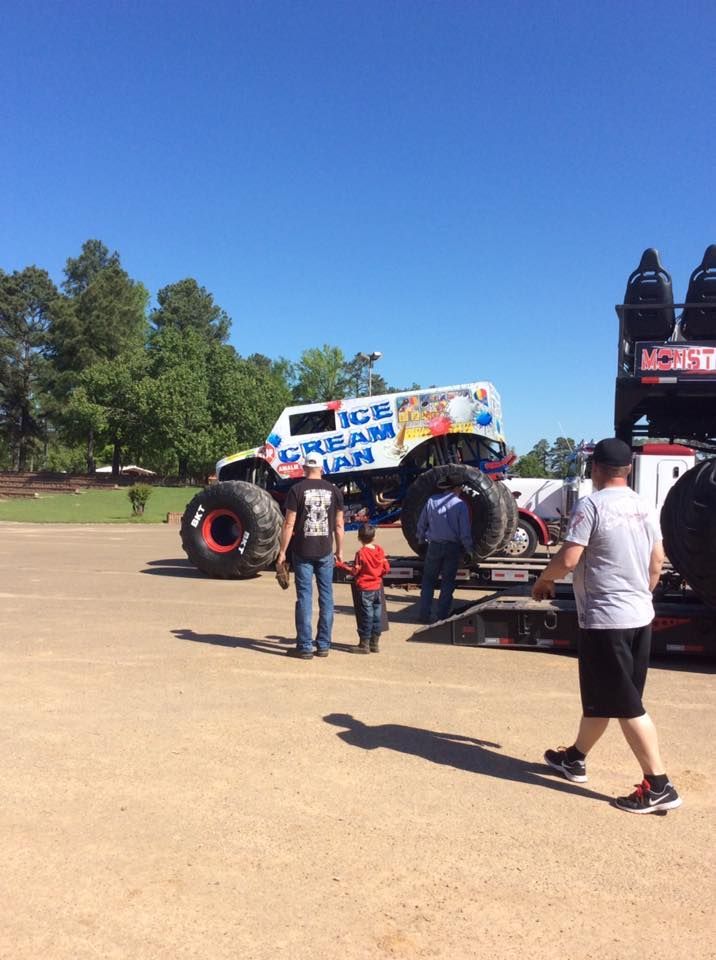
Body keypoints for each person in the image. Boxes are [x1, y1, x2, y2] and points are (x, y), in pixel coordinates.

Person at [532, 437, 682, 814]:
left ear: (596, 468)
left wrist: (544, 579)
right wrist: (641, 595)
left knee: (628, 705)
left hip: (605, 620)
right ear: (628, 469)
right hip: (639, 616)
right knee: (603, 697)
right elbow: (657, 560)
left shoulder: (591, 505)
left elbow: (569, 559)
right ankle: (575, 758)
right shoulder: (644, 505)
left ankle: (659, 785)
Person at [276, 453, 344, 659]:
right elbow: (339, 525)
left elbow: (289, 524)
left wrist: (282, 552)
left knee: (304, 597)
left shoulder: (296, 490)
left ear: (304, 468)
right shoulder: (335, 491)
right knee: (327, 597)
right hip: (325, 550)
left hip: (302, 550)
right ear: (321, 468)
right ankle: (323, 645)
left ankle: (305, 647)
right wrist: (339, 550)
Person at [416, 468, 474, 624]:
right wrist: (468, 549)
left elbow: (422, 524)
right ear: (457, 488)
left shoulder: (431, 501)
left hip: (434, 545)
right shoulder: (460, 505)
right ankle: (442, 616)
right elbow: (464, 531)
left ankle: (424, 614)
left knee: (428, 581)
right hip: (452, 547)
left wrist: (420, 540)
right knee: (447, 582)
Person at [339, 523, 391, 654]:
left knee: (366, 616)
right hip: (377, 587)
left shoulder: (361, 553)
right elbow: (386, 568)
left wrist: (341, 565)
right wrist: (378, 575)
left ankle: (364, 644)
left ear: (359, 538)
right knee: (377, 616)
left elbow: (355, 571)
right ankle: (375, 643)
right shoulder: (380, 550)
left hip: (365, 589)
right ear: (374, 537)